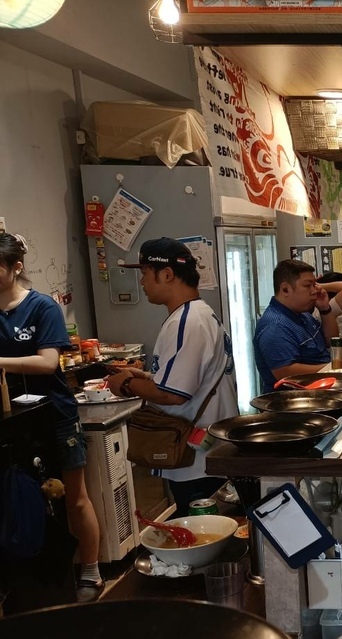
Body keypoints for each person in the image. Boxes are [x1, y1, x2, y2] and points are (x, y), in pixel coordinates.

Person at [0, 233, 104, 602]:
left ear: (16, 267)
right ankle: (38, 580)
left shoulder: (41, 307)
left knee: (73, 499)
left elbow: (47, 363)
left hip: (56, 416)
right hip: (13, 422)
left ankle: (91, 570)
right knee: (22, 499)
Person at [107, 238, 238, 516]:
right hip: (208, 449)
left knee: (202, 529)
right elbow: (189, 376)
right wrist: (145, 375)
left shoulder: (186, 321)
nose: (142, 281)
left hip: (195, 457)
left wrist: (127, 384)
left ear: (167, 274)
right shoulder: (199, 313)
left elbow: (173, 394)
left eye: (145, 272)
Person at [253, 259, 339, 393]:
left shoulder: (302, 313)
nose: (314, 291)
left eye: (314, 285)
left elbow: (331, 341)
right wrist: (333, 368)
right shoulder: (275, 325)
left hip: (321, 390)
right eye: (308, 286)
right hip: (292, 399)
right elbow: (285, 372)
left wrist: (324, 309)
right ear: (285, 289)